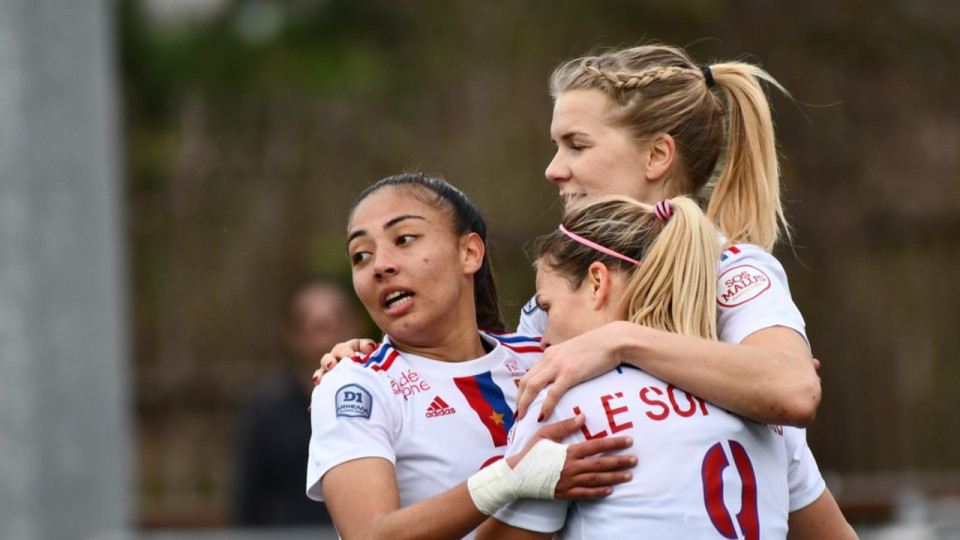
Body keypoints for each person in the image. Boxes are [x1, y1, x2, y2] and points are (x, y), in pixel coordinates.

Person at [315, 43, 853, 533]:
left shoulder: (730, 268)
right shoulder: (553, 316)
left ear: (657, 156)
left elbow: (792, 391)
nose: (553, 170)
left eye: (576, 145)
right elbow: (485, 368)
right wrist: (379, 358)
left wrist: (620, 341)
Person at [475, 195, 855, 538]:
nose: (542, 338)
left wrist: (503, 480)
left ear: (596, 283)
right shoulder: (761, 408)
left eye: (547, 308)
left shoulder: (564, 409)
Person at [306, 173, 635, 540]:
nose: (380, 265)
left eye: (404, 239)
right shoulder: (355, 384)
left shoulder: (544, 357)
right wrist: (509, 479)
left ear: (470, 252)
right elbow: (369, 535)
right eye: (361, 256)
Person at [232, 277, 363, 526]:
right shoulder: (265, 412)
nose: (326, 337)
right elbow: (248, 503)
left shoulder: (385, 395)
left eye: (335, 322)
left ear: (354, 324)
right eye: (315, 326)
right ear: (292, 334)